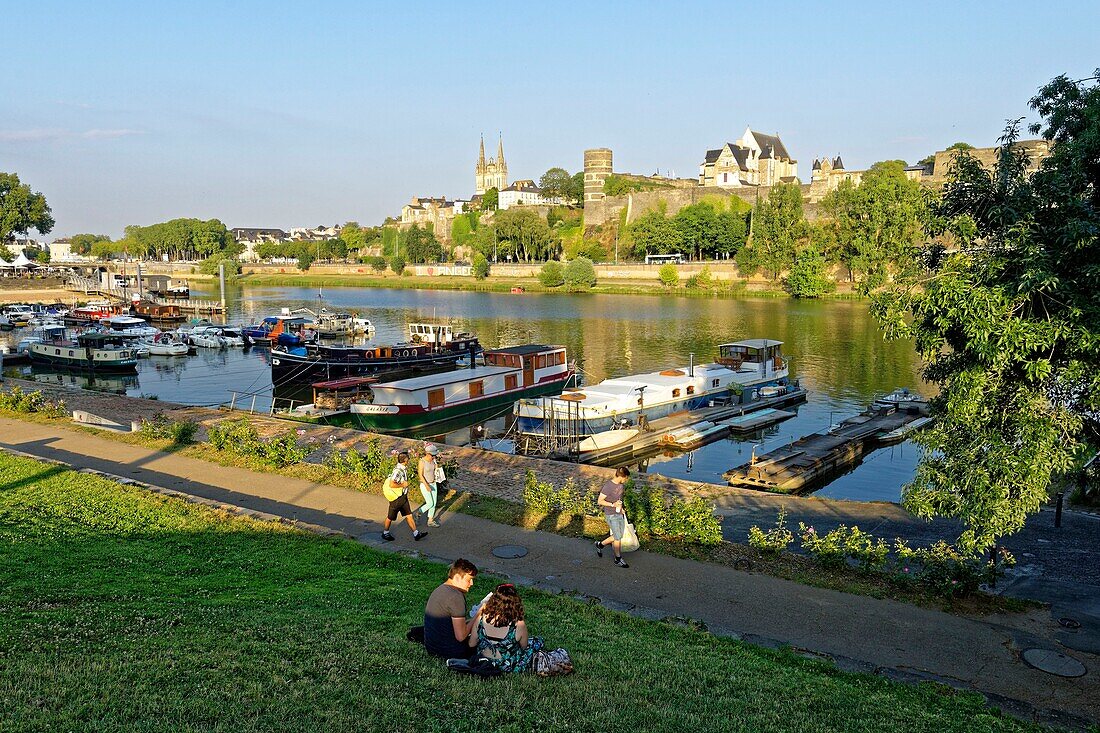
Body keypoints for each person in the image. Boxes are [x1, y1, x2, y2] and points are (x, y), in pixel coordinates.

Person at [469, 583, 544, 673]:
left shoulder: (481, 618)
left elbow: (471, 644)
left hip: (483, 660)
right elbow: (524, 647)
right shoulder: (518, 624)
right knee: (536, 642)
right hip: (506, 664)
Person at [423, 558, 480, 659]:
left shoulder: (440, 589)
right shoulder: (456, 597)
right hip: (450, 652)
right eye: (469, 580)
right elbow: (461, 636)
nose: (471, 584)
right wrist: (478, 615)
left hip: (432, 647)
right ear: (457, 577)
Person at [381, 452, 426, 542]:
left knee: (409, 515)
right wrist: (403, 484)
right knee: (390, 517)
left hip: (403, 497)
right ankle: (385, 533)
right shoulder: (398, 471)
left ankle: (416, 534)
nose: (409, 460)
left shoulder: (402, 468)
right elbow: (392, 484)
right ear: (405, 460)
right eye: (408, 458)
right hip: (396, 499)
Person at [595, 467, 631, 568]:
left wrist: (621, 507)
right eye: (626, 478)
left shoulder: (621, 485)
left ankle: (600, 545)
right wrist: (613, 505)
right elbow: (600, 501)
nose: (626, 480)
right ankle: (618, 559)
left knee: (618, 536)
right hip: (611, 514)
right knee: (618, 537)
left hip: (619, 513)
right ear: (622, 476)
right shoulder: (608, 486)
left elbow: (619, 498)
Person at [418, 443, 442, 528]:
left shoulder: (433, 460)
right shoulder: (422, 461)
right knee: (430, 503)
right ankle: (418, 512)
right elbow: (420, 475)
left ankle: (430, 521)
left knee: (434, 503)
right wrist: (426, 485)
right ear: (428, 454)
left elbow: (436, 469)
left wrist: (436, 465)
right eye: (433, 455)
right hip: (425, 484)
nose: (434, 456)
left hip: (433, 483)